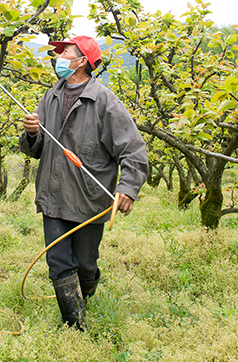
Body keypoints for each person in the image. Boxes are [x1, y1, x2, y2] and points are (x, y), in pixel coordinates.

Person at [19, 35, 148, 330]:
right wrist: (30, 134)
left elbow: (133, 149)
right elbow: (37, 150)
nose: (59, 56)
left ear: (82, 62)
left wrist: (127, 188)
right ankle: (75, 326)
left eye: (66, 52)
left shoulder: (104, 101)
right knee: (59, 262)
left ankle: (85, 293)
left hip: (89, 199)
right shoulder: (50, 97)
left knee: (85, 265)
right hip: (53, 196)